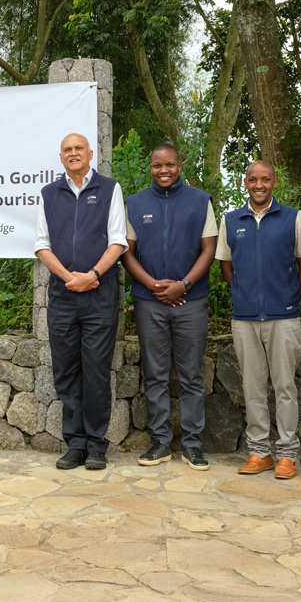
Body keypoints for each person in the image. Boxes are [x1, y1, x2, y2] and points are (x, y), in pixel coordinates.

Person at [34, 133, 127, 471]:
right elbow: (42, 245)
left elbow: (118, 241)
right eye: (67, 150)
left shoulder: (109, 189)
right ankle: (75, 444)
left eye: (79, 149)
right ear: (61, 158)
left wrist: (92, 275)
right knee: (67, 371)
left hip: (100, 293)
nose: (73, 154)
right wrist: (69, 278)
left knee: (97, 370)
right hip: (63, 294)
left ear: (90, 154)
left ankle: (96, 445)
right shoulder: (48, 194)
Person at [121, 143, 217, 470]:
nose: (164, 170)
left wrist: (183, 285)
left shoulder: (200, 201)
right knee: (156, 375)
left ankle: (192, 445)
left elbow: (209, 250)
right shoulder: (134, 204)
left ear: (180, 165)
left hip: (191, 300)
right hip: (149, 302)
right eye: (157, 165)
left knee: (191, 375)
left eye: (170, 165)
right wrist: (153, 285)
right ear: (150, 166)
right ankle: (160, 442)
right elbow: (126, 253)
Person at [217, 161, 301, 479]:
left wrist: (287, 299)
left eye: (266, 180)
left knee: (285, 386)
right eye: (253, 179)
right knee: (252, 387)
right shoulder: (231, 220)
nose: (259, 185)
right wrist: (244, 295)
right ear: (245, 182)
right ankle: (259, 451)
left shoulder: (293, 218)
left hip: (283, 317)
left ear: (275, 182)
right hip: (244, 318)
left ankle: (286, 454)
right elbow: (226, 266)